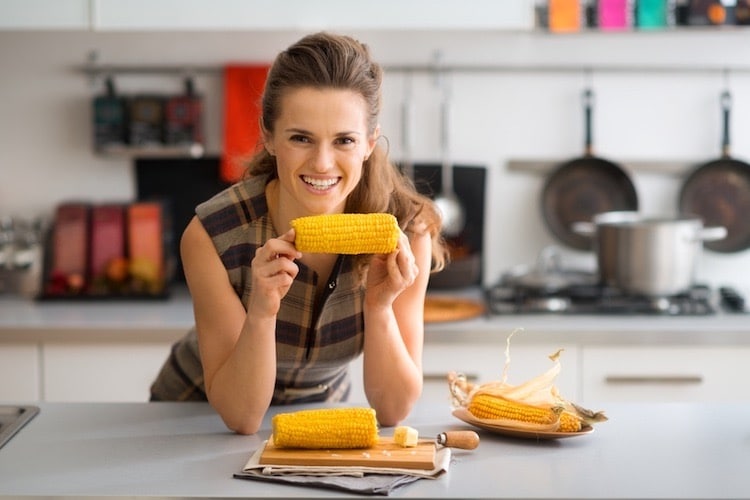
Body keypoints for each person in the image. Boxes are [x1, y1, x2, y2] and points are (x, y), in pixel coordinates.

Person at [150, 32, 448, 435]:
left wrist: (379, 307)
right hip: (194, 418)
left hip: (315, 419)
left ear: (368, 143)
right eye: (301, 138)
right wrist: (261, 312)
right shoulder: (212, 236)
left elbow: (393, 410)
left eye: (344, 140)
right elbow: (241, 417)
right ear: (269, 137)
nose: (322, 163)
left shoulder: (407, 231)